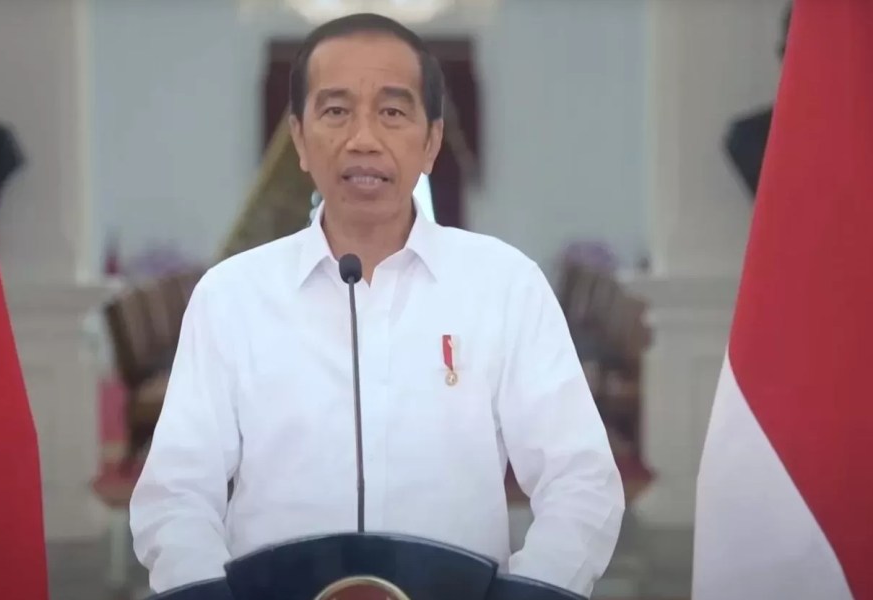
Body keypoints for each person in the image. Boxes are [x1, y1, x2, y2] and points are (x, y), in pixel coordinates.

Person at [129, 12, 625, 598]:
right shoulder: (230, 296)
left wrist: (533, 591)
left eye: (392, 112)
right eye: (336, 111)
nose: (363, 139)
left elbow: (580, 480)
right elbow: (177, 493)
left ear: (431, 141)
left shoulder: (505, 285)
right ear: (298, 139)